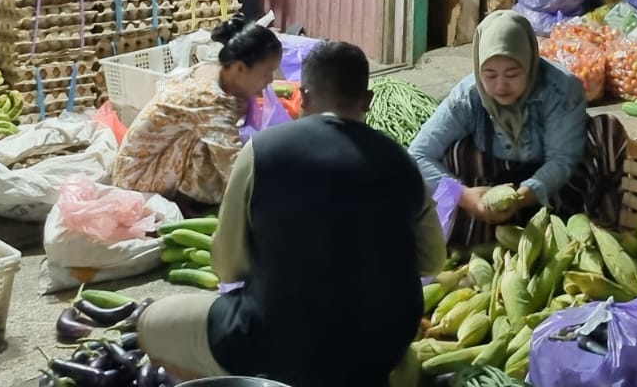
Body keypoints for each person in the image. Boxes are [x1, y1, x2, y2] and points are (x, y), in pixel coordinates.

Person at [138, 40, 448, 387]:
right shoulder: (402, 162)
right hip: (384, 346)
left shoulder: (262, 150)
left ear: (303, 96)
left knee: (151, 322)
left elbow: (227, 265)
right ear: (367, 100)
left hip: (279, 344)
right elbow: (432, 262)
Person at [408, 10, 626, 248]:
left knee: (605, 131)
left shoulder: (561, 89)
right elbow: (418, 154)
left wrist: (523, 196)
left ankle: (588, 233)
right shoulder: (467, 97)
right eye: (489, 75)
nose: (501, 85)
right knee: (454, 152)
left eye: (512, 74)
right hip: (492, 182)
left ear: (530, 62)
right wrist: (464, 196)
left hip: (558, 183)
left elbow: (563, 159)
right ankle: (478, 239)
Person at [112, 15, 282, 207]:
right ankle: (186, 204)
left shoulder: (210, 71)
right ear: (240, 68)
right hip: (135, 181)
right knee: (220, 168)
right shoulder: (212, 99)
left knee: (221, 142)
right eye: (266, 73)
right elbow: (233, 168)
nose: (270, 80)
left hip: (132, 166)